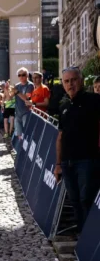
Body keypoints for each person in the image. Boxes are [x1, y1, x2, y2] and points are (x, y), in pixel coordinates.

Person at [55, 67, 100, 233]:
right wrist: (58, 163)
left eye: (73, 80)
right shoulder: (64, 107)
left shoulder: (95, 100)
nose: (70, 84)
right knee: (74, 201)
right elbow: (60, 137)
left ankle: (91, 238)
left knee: (86, 199)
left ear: (81, 81)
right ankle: (82, 237)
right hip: (67, 162)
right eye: (66, 81)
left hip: (88, 160)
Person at [14, 67, 34, 138]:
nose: (21, 77)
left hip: (26, 112)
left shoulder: (30, 85)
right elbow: (9, 98)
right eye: (19, 75)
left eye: (23, 75)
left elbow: (26, 99)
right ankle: (20, 148)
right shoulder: (17, 86)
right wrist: (6, 89)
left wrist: (17, 92)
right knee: (19, 134)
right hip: (17, 112)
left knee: (26, 132)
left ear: (27, 75)